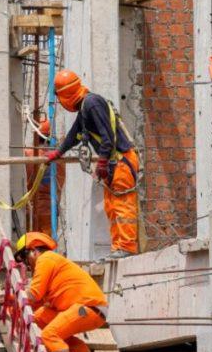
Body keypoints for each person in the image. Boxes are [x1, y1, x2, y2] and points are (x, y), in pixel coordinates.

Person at [44, 69, 140, 259]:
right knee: (111, 206)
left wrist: (102, 162)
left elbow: (108, 136)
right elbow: (74, 134)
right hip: (114, 162)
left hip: (121, 160)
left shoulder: (92, 104)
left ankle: (127, 248)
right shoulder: (85, 107)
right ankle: (118, 247)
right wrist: (59, 151)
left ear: (65, 95)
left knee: (122, 206)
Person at [14, 231, 107, 352]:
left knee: (50, 335)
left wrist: (9, 298)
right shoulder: (50, 262)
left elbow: (34, 294)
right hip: (82, 308)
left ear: (34, 250)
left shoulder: (45, 259)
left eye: (26, 257)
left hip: (88, 307)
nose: (27, 265)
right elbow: (39, 302)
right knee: (39, 318)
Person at [25, 118, 65, 235]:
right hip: (51, 211)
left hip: (31, 210)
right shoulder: (60, 159)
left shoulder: (28, 154)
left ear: (36, 136)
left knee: (33, 246)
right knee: (47, 245)